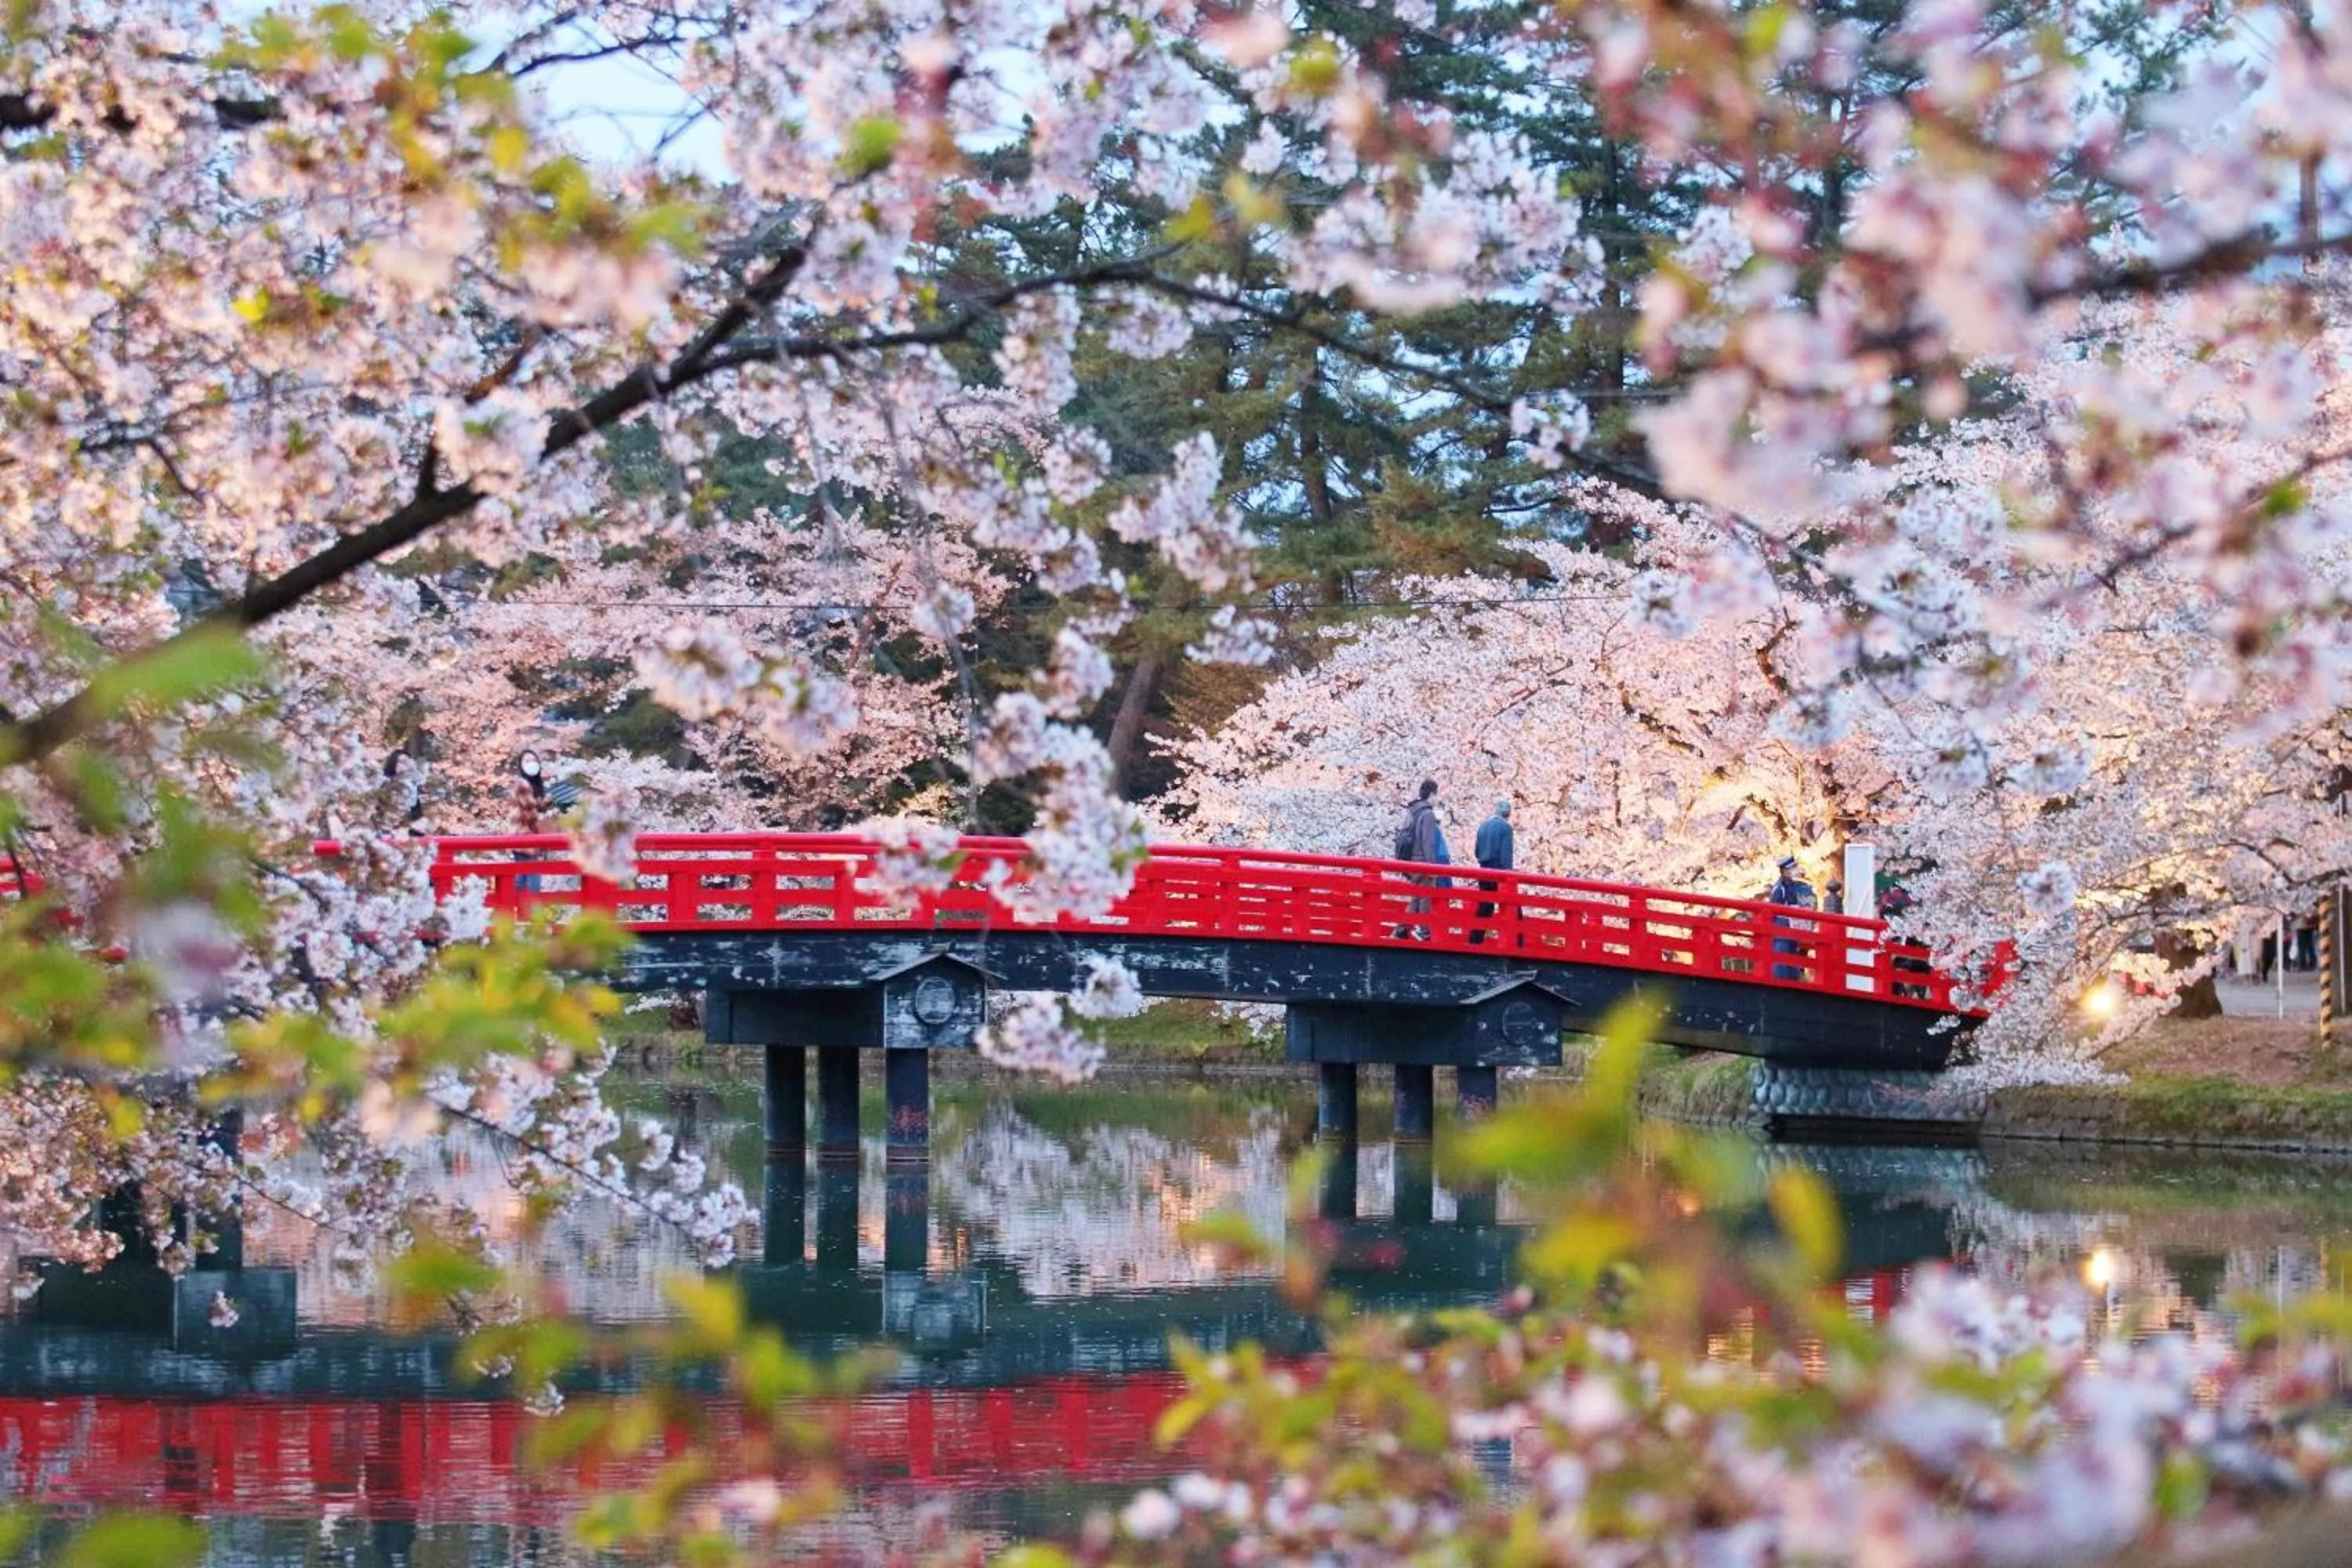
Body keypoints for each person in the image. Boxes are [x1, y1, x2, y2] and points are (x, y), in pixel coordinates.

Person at [1393, 779, 1444, 939]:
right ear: (1431, 794)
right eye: (1436, 794)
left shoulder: (1414, 811)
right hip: (1423, 862)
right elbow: (1427, 843)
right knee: (1425, 896)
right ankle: (1423, 930)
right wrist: (1432, 868)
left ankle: (1402, 929)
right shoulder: (1428, 814)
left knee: (1416, 897)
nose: (1437, 798)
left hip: (1412, 861)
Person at [1766, 855, 1817, 980]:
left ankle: (1794, 979)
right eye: (1791, 868)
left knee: (1792, 952)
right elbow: (1773, 909)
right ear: (1784, 871)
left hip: (1794, 925)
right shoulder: (1779, 889)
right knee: (1781, 953)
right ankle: (1782, 980)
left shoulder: (1796, 886)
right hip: (1782, 925)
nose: (1793, 870)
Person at [1472, 800, 1514, 946]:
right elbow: (1506, 855)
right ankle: (1515, 942)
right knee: (1512, 907)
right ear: (1508, 815)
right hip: (1499, 871)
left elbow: (1476, 851)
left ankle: (1475, 940)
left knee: (1484, 906)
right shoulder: (1506, 828)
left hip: (1484, 869)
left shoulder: (1483, 826)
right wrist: (1509, 875)